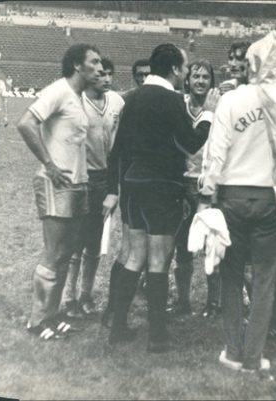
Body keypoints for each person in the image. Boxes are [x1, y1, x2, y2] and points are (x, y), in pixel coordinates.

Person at [103, 44, 220, 351]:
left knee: (134, 256)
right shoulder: (171, 99)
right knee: (158, 259)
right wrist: (208, 113)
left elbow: (117, 149)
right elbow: (190, 142)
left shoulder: (132, 97)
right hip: (162, 186)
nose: (186, 73)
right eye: (185, 67)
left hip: (132, 184)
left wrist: (114, 188)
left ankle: (117, 326)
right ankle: (157, 335)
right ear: (174, 69)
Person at [197, 37, 276, 374]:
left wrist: (207, 196)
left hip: (231, 196)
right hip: (270, 197)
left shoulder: (231, 100)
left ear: (250, 66)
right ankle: (253, 357)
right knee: (265, 279)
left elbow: (215, 151)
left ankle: (233, 351)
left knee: (231, 276)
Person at [17, 43, 103, 340]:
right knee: (54, 253)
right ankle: (37, 320)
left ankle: (53, 316)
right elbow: (26, 123)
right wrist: (49, 164)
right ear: (77, 65)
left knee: (67, 252)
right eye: (94, 62)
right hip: (55, 183)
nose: (100, 68)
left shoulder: (78, 97)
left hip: (78, 185)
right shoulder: (59, 90)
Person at [62, 57, 125, 318]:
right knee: (75, 241)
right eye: (100, 74)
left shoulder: (117, 102)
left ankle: (86, 295)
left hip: (105, 178)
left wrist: (114, 187)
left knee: (95, 241)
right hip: (81, 177)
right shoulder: (76, 102)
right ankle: (68, 298)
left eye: (110, 74)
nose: (106, 79)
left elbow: (119, 147)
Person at [166, 59, 221, 318]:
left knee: (213, 244)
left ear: (212, 81)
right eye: (196, 76)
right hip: (183, 181)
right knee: (183, 245)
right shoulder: (179, 105)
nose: (200, 81)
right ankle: (183, 301)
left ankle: (214, 302)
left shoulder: (219, 106)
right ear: (187, 80)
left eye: (205, 77)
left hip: (209, 183)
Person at [101, 58, 150, 328]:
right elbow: (115, 152)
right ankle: (114, 310)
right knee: (130, 249)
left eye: (147, 74)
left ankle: (129, 308)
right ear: (133, 77)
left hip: (153, 184)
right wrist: (113, 188)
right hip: (132, 184)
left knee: (149, 250)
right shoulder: (126, 102)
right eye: (139, 75)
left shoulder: (162, 100)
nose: (143, 79)